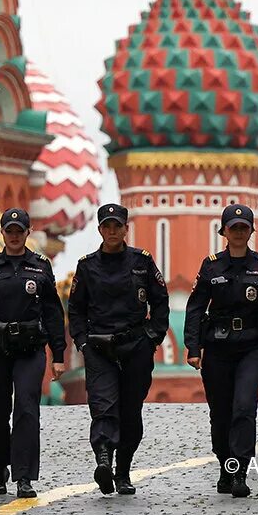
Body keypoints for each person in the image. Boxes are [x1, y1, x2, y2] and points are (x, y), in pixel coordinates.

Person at [184, 204, 258, 498]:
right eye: (233, 227)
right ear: (224, 231)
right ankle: (225, 464)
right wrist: (192, 347)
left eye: (243, 227)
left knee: (244, 407)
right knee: (220, 413)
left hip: (251, 347)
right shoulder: (211, 266)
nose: (238, 232)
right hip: (218, 348)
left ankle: (239, 471)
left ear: (251, 231)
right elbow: (195, 307)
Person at [0, 207, 67, 499]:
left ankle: (24, 477)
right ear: (3, 233)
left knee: (27, 408)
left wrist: (58, 354)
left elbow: (53, 313)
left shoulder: (41, 267)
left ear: (28, 233)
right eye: (10, 231)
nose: (15, 236)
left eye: (20, 231)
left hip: (30, 350)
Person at [68, 203, 169, 496]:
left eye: (117, 226)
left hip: (135, 345)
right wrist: (82, 342)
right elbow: (75, 309)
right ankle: (103, 459)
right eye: (107, 226)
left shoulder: (142, 261)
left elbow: (160, 300)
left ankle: (123, 470)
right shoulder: (87, 266)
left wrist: (153, 337)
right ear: (100, 230)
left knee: (131, 411)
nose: (112, 231)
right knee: (103, 406)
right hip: (99, 347)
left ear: (126, 229)